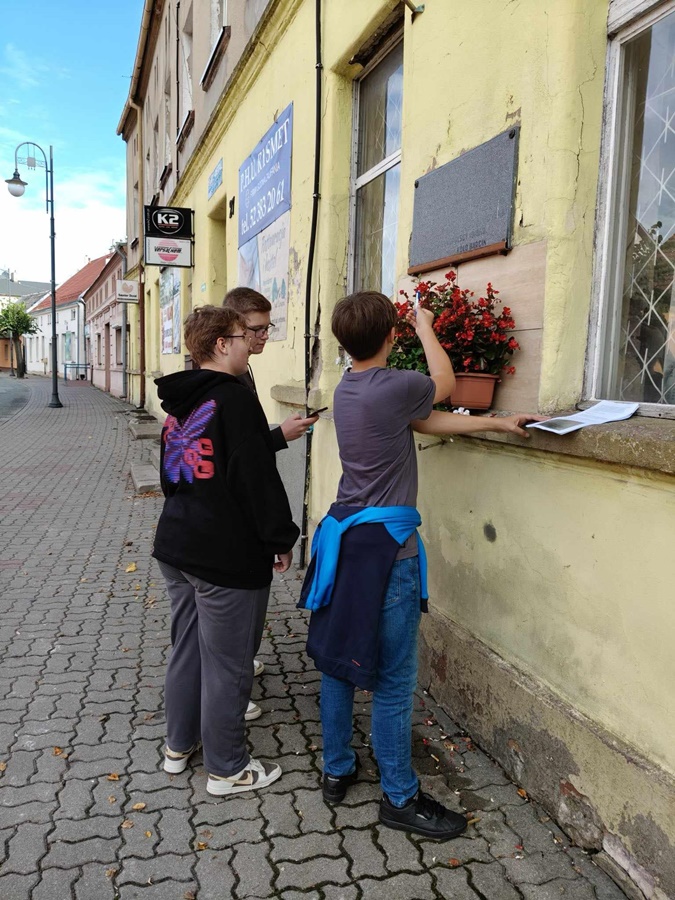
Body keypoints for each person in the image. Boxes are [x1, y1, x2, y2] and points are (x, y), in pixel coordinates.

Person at [300, 291, 543, 839]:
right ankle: (400, 799)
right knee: (392, 680)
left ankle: (336, 771)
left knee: (338, 661)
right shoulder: (396, 384)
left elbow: (425, 422)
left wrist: (498, 424)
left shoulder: (351, 388)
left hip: (343, 543)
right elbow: (447, 387)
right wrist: (426, 324)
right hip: (388, 552)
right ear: (391, 336)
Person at [153, 305, 299, 796]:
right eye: (243, 336)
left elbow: (171, 475)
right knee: (228, 664)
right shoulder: (233, 400)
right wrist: (279, 538)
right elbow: (256, 478)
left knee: (187, 649)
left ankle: (179, 746)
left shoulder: (181, 402)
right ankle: (228, 768)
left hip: (176, 545)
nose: (249, 344)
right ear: (220, 344)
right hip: (222, 555)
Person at [223, 287, 319, 707]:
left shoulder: (240, 370)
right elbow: (241, 459)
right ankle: (232, 690)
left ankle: (239, 666)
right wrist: (279, 436)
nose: (264, 338)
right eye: (257, 330)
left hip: (229, 519)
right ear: (233, 330)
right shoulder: (228, 379)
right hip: (235, 522)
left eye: (268, 328)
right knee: (237, 612)